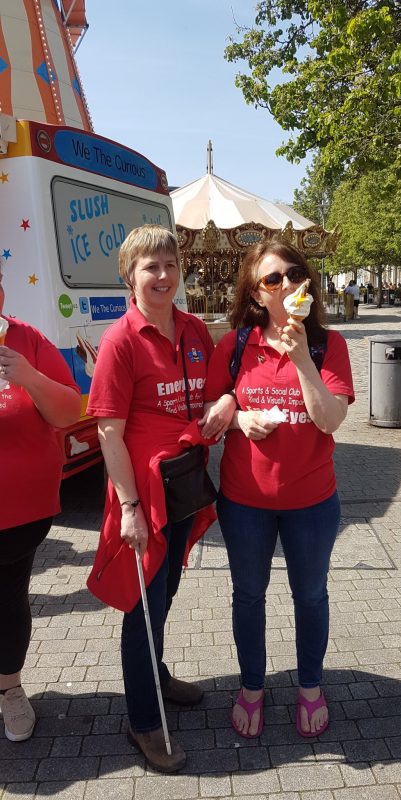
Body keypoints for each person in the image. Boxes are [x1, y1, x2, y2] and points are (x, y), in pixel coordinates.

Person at [86, 225, 232, 774]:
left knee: (165, 591)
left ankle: (157, 675)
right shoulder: (121, 340)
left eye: (171, 265)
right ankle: (143, 720)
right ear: (131, 275)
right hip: (143, 493)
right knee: (142, 606)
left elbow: (225, 383)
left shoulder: (195, 330)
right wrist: (126, 507)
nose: (164, 276)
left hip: (184, 483)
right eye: (151, 267)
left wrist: (229, 399)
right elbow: (107, 432)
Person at [205, 240, 354, 740]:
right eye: (274, 279)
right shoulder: (235, 347)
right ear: (255, 293)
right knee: (248, 595)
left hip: (311, 503)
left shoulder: (327, 345)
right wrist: (238, 416)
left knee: (310, 596)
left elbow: (331, 420)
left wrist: (302, 362)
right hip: (245, 502)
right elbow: (211, 416)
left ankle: (310, 685)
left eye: (294, 274)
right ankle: (252, 686)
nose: (288, 283)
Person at [0, 262, 81, 742]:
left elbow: (71, 410)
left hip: (20, 513)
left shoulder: (27, 342)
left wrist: (28, 376)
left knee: (8, 600)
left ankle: (10, 690)